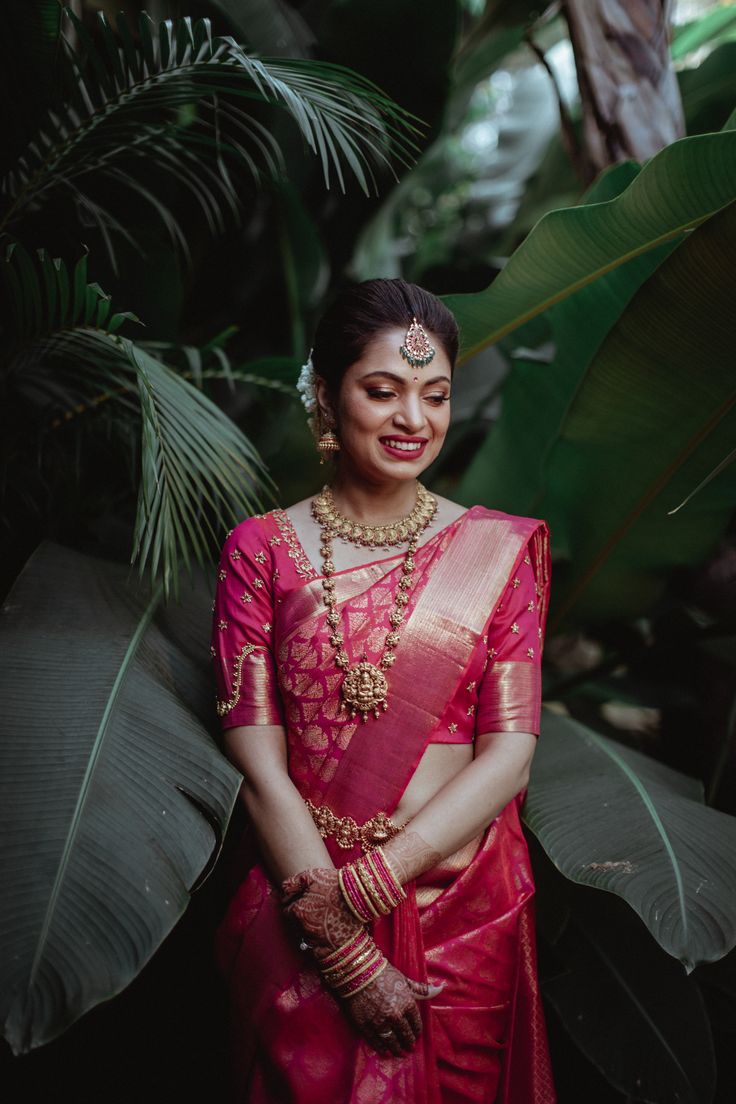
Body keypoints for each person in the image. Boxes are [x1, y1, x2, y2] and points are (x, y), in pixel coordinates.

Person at [210, 278, 555, 1104]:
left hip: (463, 913)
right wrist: (340, 942)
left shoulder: (498, 555)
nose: (414, 419)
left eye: (435, 396)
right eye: (383, 391)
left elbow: (509, 756)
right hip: (306, 899)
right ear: (327, 396)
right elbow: (257, 763)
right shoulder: (261, 552)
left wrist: (371, 885)